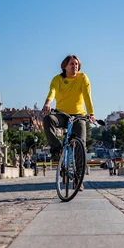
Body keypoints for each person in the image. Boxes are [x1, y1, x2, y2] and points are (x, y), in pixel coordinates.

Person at [43, 55, 96, 191]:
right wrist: (48, 104)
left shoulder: (83, 78)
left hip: (78, 116)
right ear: (64, 66)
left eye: (77, 64)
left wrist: (91, 114)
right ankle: (57, 149)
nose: (75, 66)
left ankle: (78, 179)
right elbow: (52, 92)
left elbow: (87, 95)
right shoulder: (58, 79)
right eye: (72, 64)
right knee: (48, 119)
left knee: (80, 144)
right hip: (61, 114)